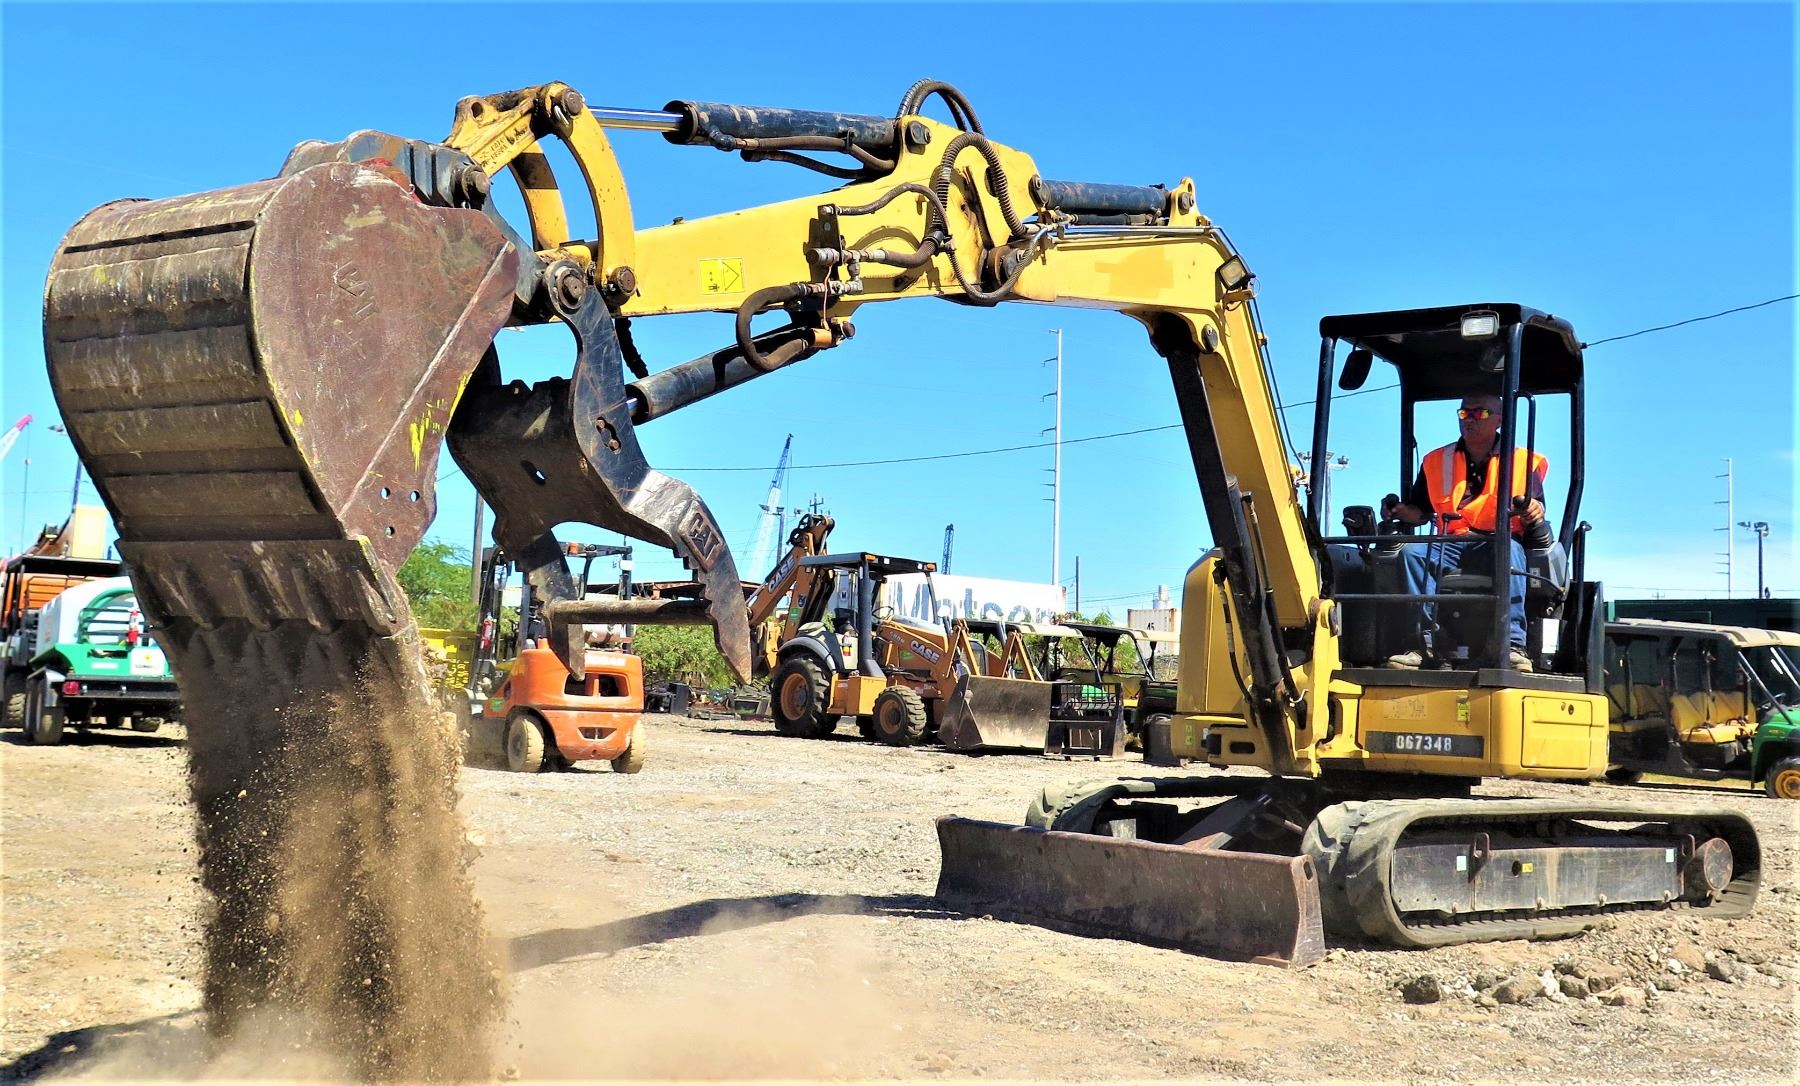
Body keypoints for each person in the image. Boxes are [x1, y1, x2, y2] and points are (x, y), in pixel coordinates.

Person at [1383, 393, 1550, 672]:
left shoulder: (1523, 461)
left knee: (1511, 551)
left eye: (1479, 414)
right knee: (1411, 554)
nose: (1469, 420)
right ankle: (1424, 644)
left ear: (1499, 419)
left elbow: (1535, 508)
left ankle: (1512, 645)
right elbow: (1420, 511)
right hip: (1450, 541)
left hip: (1497, 541)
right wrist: (1399, 511)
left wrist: (1534, 509)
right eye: (1464, 414)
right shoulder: (1437, 460)